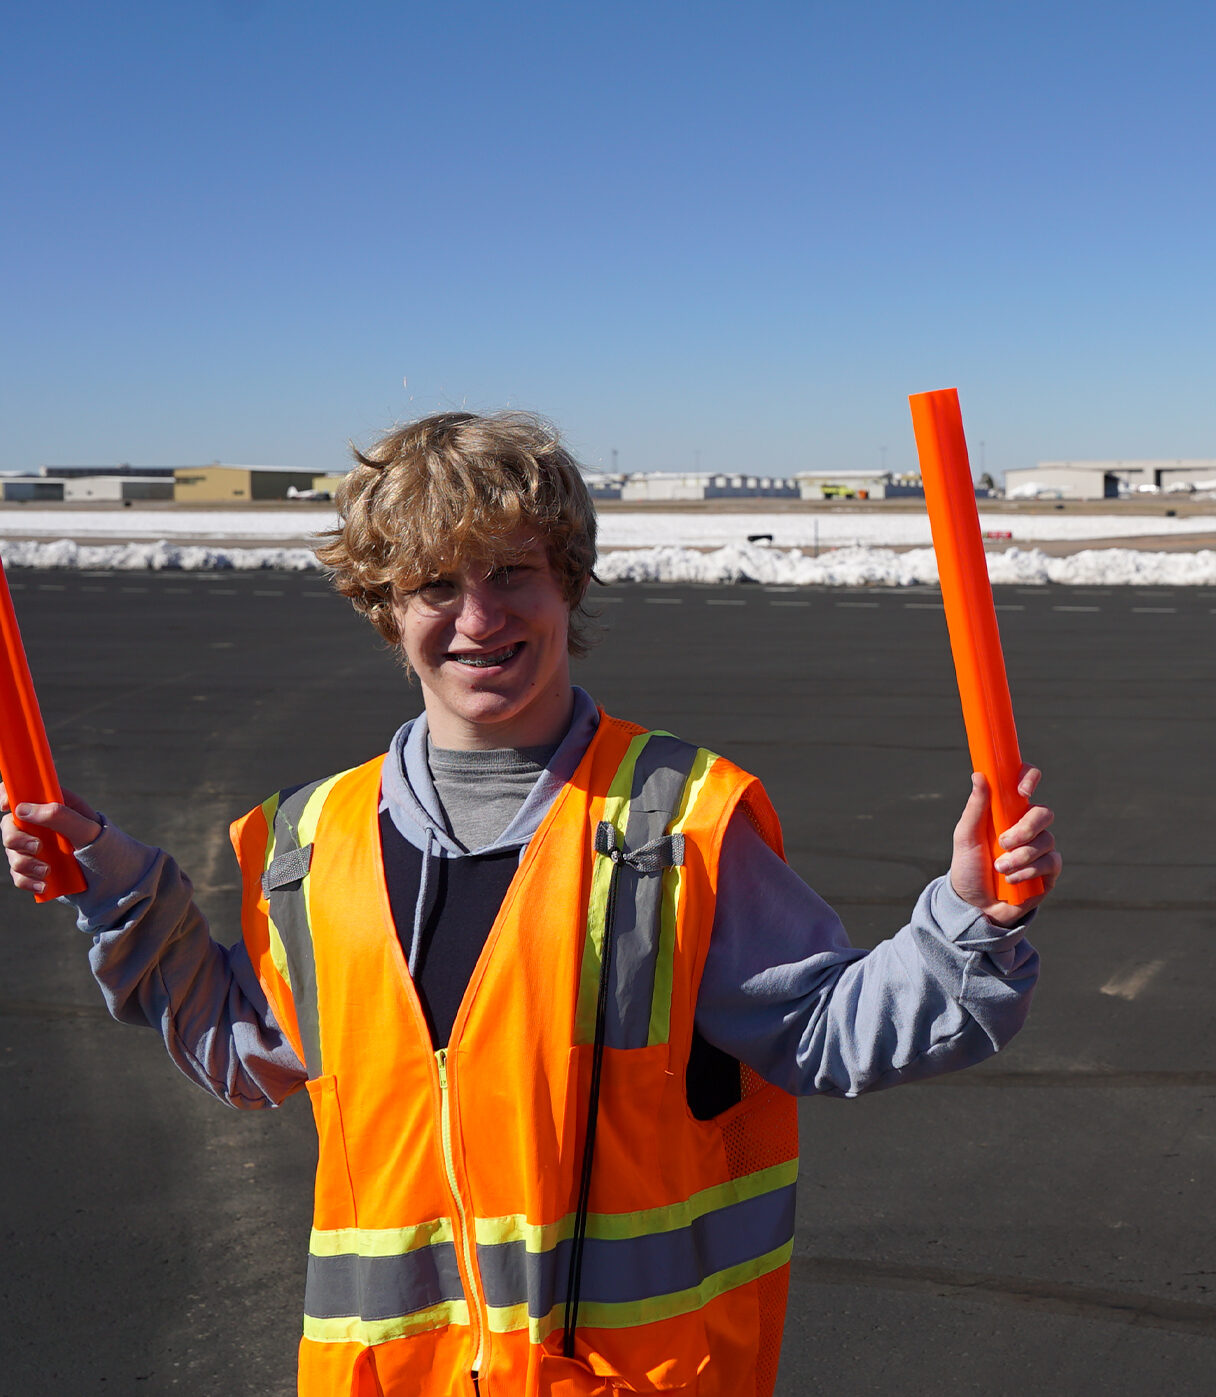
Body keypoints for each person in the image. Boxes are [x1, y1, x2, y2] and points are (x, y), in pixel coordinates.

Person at [3, 410, 1060, 1396]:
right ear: (385, 607)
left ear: (569, 585)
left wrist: (970, 913)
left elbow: (828, 1030)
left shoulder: (674, 821)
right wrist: (117, 881)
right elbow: (246, 1048)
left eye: (514, 571)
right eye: (433, 584)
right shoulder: (308, 844)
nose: (478, 616)